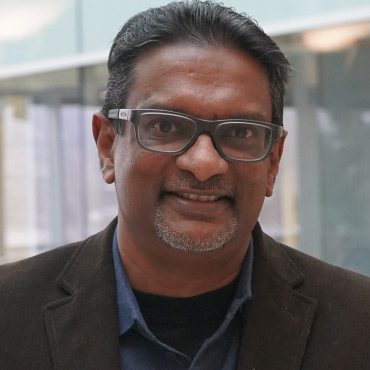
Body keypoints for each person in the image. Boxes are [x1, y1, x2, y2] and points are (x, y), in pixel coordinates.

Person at [1, 1, 370, 369]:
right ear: (108, 145)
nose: (205, 164)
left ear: (273, 161)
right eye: (166, 126)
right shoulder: (10, 315)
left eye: (240, 132)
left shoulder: (358, 322)